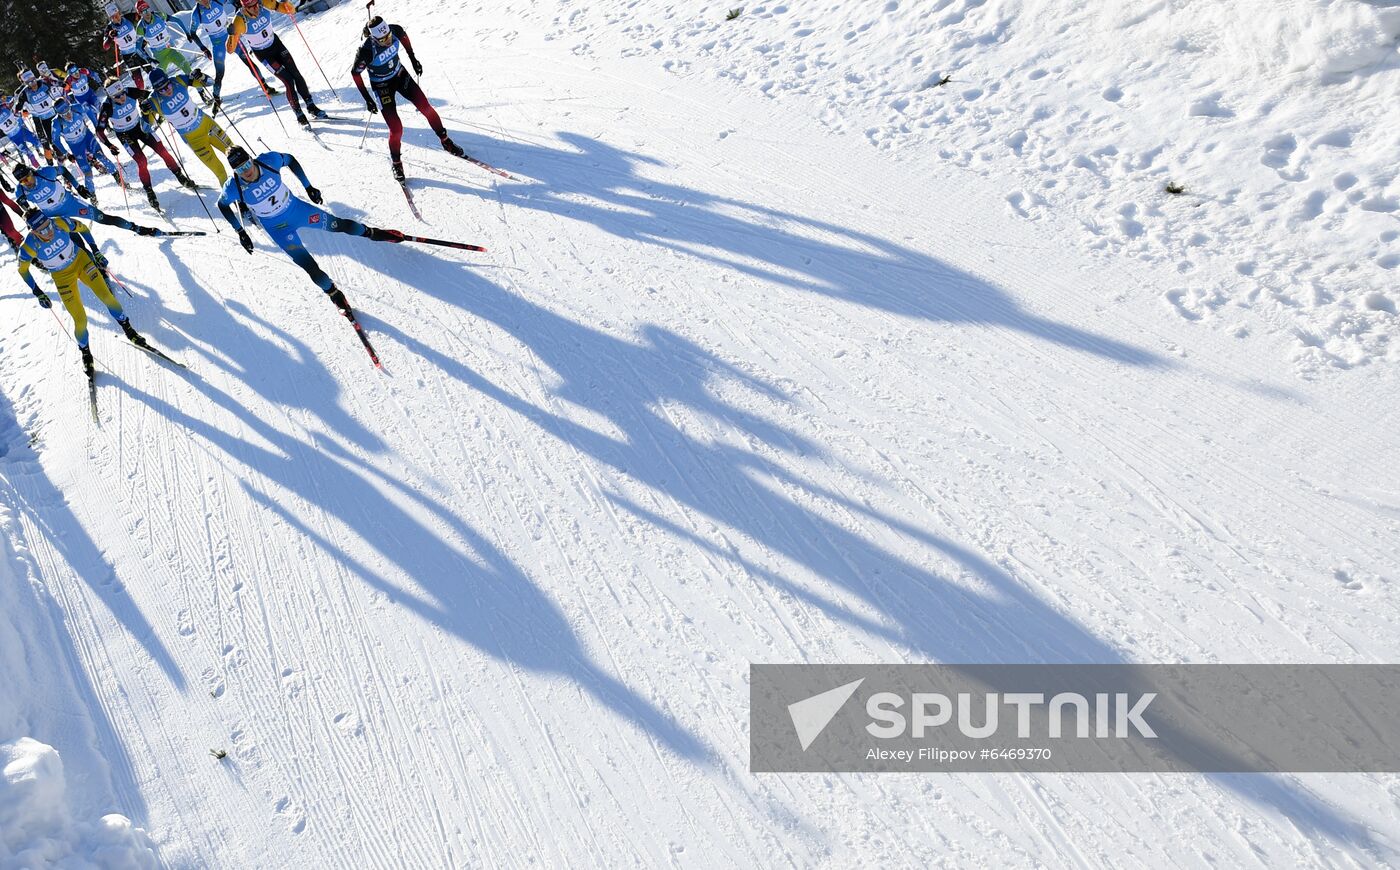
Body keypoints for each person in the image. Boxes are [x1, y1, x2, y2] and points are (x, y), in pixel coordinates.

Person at [216, 145, 406, 317]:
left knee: (340, 225)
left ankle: (373, 233)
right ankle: (334, 294)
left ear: (251, 158)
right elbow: (222, 205)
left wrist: (308, 187)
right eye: (239, 169)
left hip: (298, 211)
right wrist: (240, 231)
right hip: (278, 229)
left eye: (247, 164)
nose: (246, 171)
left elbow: (289, 159)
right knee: (310, 267)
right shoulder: (233, 187)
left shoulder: (268, 161)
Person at [17, 209, 155, 385]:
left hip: (82, 261)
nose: (49, 231)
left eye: (48, 225)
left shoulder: (59, 222)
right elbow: (22, 270)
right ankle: (86, 353)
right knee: (80, 320)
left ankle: (129, 331)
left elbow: (83, 229)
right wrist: (37, 292)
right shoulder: (29, 246)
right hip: (62, 277)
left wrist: (95, 251)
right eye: (42, 230)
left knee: (107, 296)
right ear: (33, 231)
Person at [352, 15, 464, 181]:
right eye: (383, 40)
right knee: (396, 129)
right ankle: (396, 163)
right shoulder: (366, 51)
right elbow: (355, 74)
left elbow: (404, 38)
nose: (388, 41)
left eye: (389, 36)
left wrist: (413, 59)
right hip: (382, 86)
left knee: (426, 107)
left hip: (399, 74)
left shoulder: (394, 30)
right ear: (373, 38)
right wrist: (367, 98)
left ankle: (445, 140)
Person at [97, 78, 198, 211]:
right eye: (117, 96)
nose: (122, 97)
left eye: (122, 93)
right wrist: (109, 145)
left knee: (162, 150)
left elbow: (150, 96)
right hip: (125, 136)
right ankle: (150, 192)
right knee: (142, 161)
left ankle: (180, 176)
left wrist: (148, 106)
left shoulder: (130, 92)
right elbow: (99, 131)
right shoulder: (107, 107)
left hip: (141, 126)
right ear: (110, 96)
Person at [226, 0, 327, 126]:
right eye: (251, 7)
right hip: (264, 55)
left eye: (257, 4)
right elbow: (230, 50)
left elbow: (291, 11)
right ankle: (299, 114)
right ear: (244, 7)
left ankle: (311, 106)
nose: (256, 8)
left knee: (296, 74)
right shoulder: (240, 21)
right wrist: (231, 35)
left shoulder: (264, 3)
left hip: (276, 45)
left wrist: (286, 2)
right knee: (288, 80)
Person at [13, 162, 162, 235]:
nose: (28, 183)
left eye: (28, 178)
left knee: (102, 218)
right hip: (53, 216)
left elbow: (63, 170)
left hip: (71, 204)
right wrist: (26, 210)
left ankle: (135, 228)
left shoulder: (45, 173)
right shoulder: (20, 191)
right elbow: (26, 208)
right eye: (23, 182)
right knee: (71, 238)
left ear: (31, 172)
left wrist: (78, 187)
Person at [144, 68, 234, 184]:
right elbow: (146, 129)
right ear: (156, 90)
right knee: (220, 172)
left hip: (208, 126)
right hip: (194, 140)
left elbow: (210, 82)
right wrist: (145, 113)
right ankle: (234, 200)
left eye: (167, 86)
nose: (166, 91)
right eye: (161, 90)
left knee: (236, 155)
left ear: (169, 80)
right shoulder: (154, 101)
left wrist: (200, 76)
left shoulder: (179, 80)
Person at [187, 0, 278, 114]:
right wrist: (203, 48)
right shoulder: (197, 13)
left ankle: (265, 87)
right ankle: (217, 99)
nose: (205, 1)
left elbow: (235, 2)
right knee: (220, 74)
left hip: (232, 38)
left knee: (249, 62)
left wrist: (238, 10)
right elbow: (193, 33)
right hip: (218, 44)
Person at [50, 100, 119, 201]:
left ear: (70, 107)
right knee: (87, 172)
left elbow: (90, 111)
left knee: (101, 157)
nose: (68, 115)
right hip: (77, 147)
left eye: (68, 111)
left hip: (88, 138)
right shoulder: (56, 123)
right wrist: (67, 154)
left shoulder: (77, 108)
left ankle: (117, 177)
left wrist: (97, 126)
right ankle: (92, 196)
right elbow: (55, 140)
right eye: (64, 114)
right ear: (59, 114)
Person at [136, 0, 211, 86]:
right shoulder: (141, 28)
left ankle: (201, 92)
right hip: (159, 57)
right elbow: (137, 48)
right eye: (143, 11)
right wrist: (148, 59)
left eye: (147, 9)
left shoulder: (159, 15)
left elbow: (177, 20)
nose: (147, 13)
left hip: (171, 50)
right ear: (140, 14)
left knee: (189, 71)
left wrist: (186, 33)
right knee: (161, 82)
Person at [14, 68, 64, 158]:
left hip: (55, 113)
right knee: (48, 140)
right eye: (29, 82)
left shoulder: (43, 83)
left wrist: (59, 83)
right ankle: (55, 158)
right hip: (41, 118)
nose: (33, 84)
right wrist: (19, 109)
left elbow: (58, 83)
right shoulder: (23, 93)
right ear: (24, 83)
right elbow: (18, 107)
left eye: (33, 80)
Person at [103, 4, 154, 68]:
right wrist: (110, 37)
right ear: (110, 18)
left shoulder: (128, 17)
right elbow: (105, 46)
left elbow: (141, 16)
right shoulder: (109, 28)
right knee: (137, 76)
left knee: (150, 69)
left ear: (119, 12)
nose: (117, 18)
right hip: (127, 54)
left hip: (138, 49)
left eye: (118, 14)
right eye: (114, 17)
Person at [0, 96, 44, 167]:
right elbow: (12, 103)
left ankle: (52, 156)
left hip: (19, 132)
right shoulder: (4, 106)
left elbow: (12, 101)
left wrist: (17, 108)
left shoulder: (4, 105)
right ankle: (39, 169)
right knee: (31, 151)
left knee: (37, 144)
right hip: (17, 134)